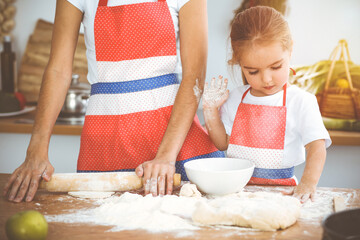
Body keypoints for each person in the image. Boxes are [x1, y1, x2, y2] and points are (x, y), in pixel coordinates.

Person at [3, 0, 224, 202]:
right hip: (106, 141)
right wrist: (36, 150)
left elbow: (195, 75)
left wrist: (166, 156)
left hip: (174, 141)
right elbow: (58, 70)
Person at [202, 6, 331, 203]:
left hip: (282, 193)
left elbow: (317, 147)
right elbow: (222, 143)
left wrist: (308, 183)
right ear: (239, 63)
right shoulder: (235, 99)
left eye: (276, 66)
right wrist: (210, 111)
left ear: (290, 49)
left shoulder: (300, 102)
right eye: (253, 71)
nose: (267, 79)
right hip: (237, 193)